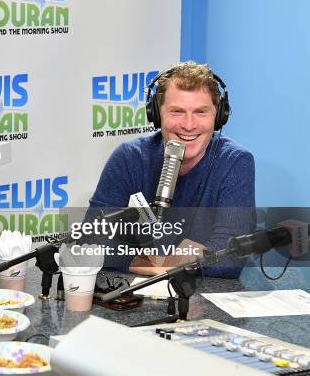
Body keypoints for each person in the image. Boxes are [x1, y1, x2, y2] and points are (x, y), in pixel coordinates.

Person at [88, 61, 255, 278]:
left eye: (201, 112)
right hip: (135, 297)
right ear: (156, 114)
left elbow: (230, 255)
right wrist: (164, 267)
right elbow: (92, 239)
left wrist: (147, 262)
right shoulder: (129, 158)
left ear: (219, 116)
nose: (188, 124)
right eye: (176, 111)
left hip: (201, 299)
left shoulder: (235, 162)